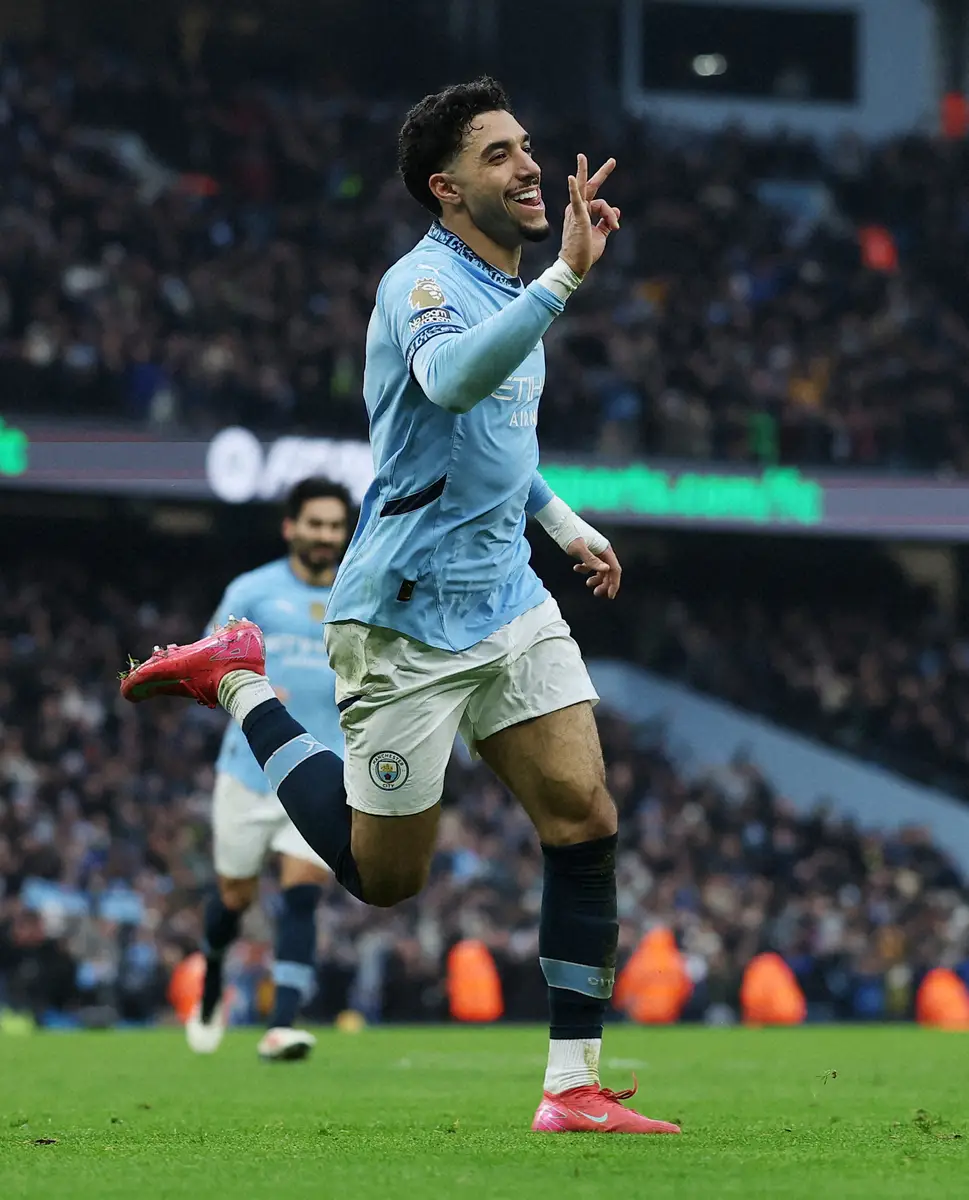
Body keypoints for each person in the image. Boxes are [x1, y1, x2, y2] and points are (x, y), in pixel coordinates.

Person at [122, 77, 680, 1135]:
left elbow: (498, 443)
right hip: (404, 615)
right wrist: (565, 276)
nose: (528, 165)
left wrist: (564, 525)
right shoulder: (420, 283)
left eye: (526, 145)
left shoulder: (511, 286)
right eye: (498, 154)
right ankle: (239, 683)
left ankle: (571, 1087)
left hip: (507, 597)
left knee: (583, 817)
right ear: (445, 187)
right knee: (385, 880)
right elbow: (457, 382)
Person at [188, 477, 351, 1062]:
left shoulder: (360, 592)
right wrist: (246, 689)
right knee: (234, 896)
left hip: (322, 769)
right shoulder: (252, 591)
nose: (325, 535)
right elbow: (205, 662)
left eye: (335, 525)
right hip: (248, 770)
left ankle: (281, 1025)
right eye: (315, 523)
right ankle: (212, 970)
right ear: (291, 527)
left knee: (302, 894)